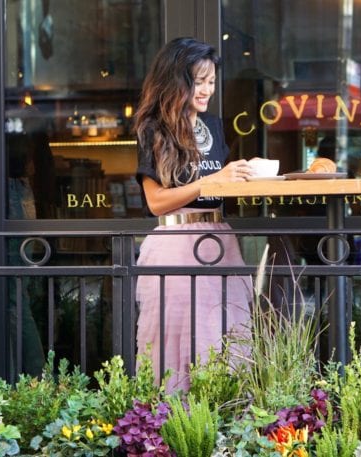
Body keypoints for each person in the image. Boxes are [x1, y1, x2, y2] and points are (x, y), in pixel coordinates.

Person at [134, 37, 253, 392]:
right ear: (177, 81)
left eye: (211, 82)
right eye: (198, 81)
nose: (207, 90)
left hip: (219, 240)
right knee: (177, 343)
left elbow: (220, 183)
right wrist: (210, 182)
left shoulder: (213, 126)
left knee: (226, 336)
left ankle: (226, 424)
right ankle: (171, 429)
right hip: (175, 242)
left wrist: (246, 173)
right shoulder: (153, 129)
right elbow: (156, 202)